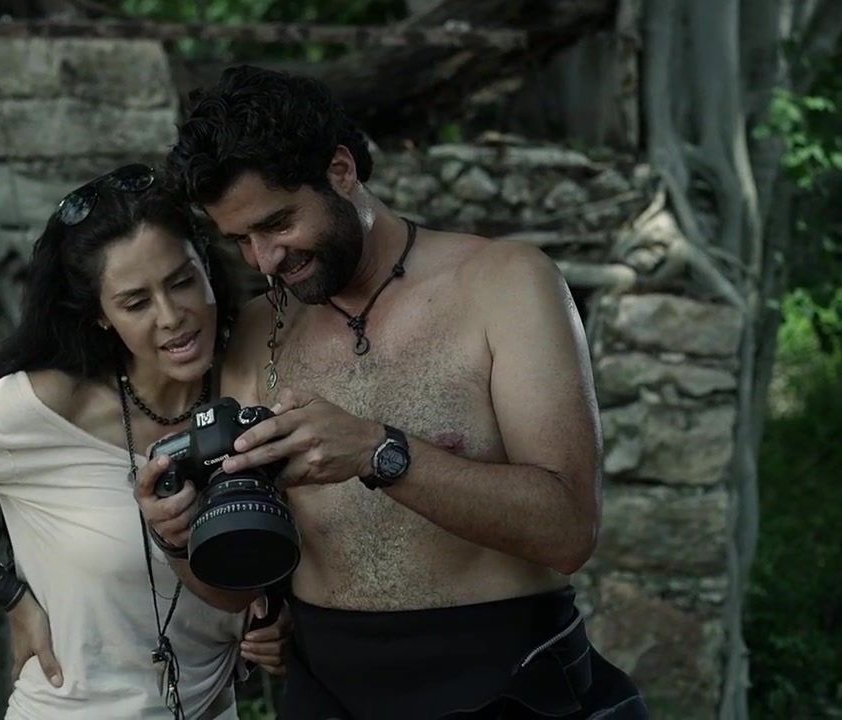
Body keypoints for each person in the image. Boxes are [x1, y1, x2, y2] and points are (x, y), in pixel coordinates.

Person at [147, 65, 649, 719]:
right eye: (242, 240)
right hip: (327, 693)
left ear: (340, 170)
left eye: (278, 223)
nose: (264, 260)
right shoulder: (257, 334)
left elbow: (569, 530)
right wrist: (179, 538)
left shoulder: (505, 284)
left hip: (505, 682)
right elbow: (238, 593)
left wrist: (379, 452)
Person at [0, 164, 291, 720]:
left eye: (182, 281)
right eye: (135, 302)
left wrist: (270, 620)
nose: (172, 317)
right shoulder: (43, 407)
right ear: (101, 316)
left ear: (206, 263)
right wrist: (6, 592)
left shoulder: (248, 383)